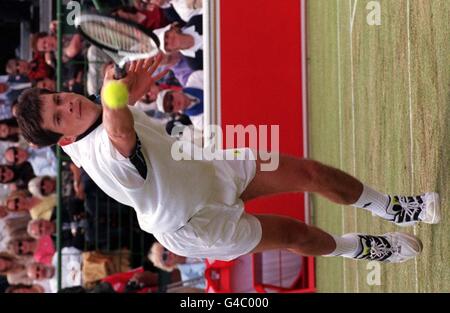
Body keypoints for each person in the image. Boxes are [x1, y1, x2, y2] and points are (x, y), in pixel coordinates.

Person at [15, 55, 440, 264]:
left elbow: (118, 118)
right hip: (190, 223)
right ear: (64, 138)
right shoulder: (99, 151)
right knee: (297, 234)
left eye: (57, 98)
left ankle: (395, 208)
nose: (66, 105)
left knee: (309, 172)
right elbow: (120, 131)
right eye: (58, 116)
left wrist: (124, 94)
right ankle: (360, 249)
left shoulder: (90, 108)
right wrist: (115, 96)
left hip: (202, 162)